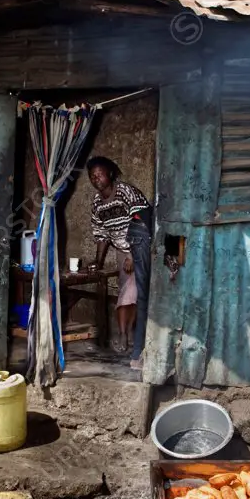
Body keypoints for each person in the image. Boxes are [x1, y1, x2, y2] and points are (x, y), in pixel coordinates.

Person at [85, 156, 152, 370]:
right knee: (127, 293)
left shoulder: (125, 192)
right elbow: (102, 234)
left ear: (110, 174)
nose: (96, 179)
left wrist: (133, 255)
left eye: (100, 174)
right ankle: (125, 334)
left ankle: (134, 341)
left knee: (138, 292)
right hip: (122, 252)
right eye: (92, 176)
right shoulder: (97, 203)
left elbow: (142, 221)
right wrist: (98, 261)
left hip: (140, 248)